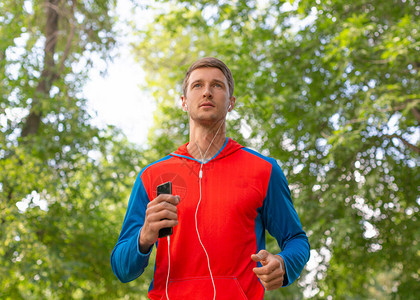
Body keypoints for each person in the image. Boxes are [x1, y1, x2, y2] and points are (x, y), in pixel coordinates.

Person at [111, 57, 310, 299]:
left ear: (231, 102)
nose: (207, 92)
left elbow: (297, 240)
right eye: (197, 85)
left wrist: (283, 262)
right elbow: (122, 269)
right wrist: (144, 237)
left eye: (217, 85)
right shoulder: (152, 176)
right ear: (184, 102)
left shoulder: (263, 170)